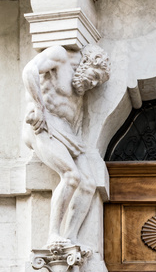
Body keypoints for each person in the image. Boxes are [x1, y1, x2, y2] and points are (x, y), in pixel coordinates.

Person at [22, 44, 110, 247]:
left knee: (88, 183)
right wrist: (38, 106)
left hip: (66, 132)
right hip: (44, 123)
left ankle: (70, 238)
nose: (94, 83)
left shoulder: (80, 86)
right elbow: (29, 70)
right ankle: (53, 234)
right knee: (71, 176)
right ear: (86, 62)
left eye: (98, 82)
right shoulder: (60, 55)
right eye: (95, 75)